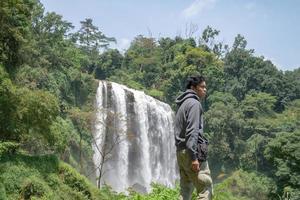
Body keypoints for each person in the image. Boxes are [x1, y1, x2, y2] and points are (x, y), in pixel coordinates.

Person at [174, 75, 213, 200]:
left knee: (185, 190)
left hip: (181, 152)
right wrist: (194, 157)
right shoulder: (194, 104)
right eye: (202, 87)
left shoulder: (182, 104)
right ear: (193, 87)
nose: (205, 89)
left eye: (205, 87)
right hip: (191, 152)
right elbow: (192, 132)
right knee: (205, 188)